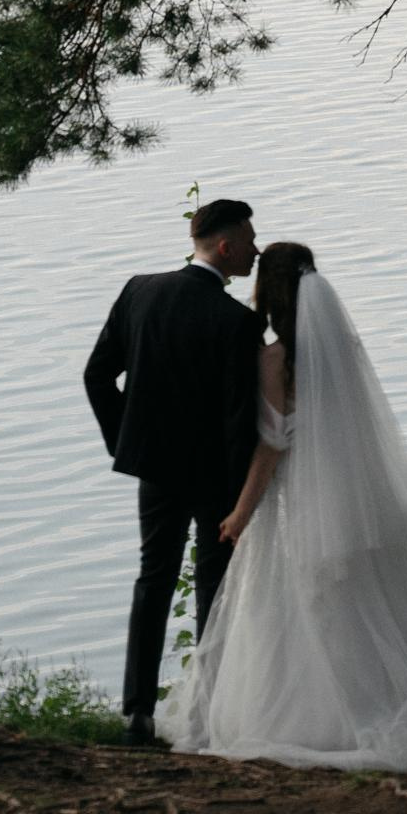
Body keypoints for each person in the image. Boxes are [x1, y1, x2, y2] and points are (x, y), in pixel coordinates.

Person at [160, 241, 407, 771]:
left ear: (271, 289)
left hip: (298, 507)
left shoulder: (275, 359)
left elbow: (273, 444)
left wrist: (240, 512)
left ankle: (327, 721)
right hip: (345, 506)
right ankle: (387, 709)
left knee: (301, 613)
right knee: (377, 613)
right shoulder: (342, 350)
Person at [84, 195, 263, 747]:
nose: (256, 250)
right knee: (214, 585)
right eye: (250, 240)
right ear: (227, 246)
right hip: (215, 475)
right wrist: (241, 501)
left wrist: (129, 443)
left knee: (152, 579)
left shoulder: (141, 291)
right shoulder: (238, 322)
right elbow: (238, 419)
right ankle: (205, 711)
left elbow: (96, 376)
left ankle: (136, 710)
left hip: (155, 466)